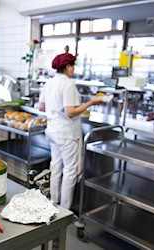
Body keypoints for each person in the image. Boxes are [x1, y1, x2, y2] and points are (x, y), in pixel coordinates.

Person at [38, 53, 102, 209]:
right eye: (72, 66)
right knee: (70, 172)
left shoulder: (49, 82)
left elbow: (41, 107)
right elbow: (71, 112)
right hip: (66, 134)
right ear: (67, 67)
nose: (73, 69)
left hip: (53, 131)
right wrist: (91, 102)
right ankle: (64, 210)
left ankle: (53, 203)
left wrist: (56, 110)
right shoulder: (68, 84)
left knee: (56, 167)